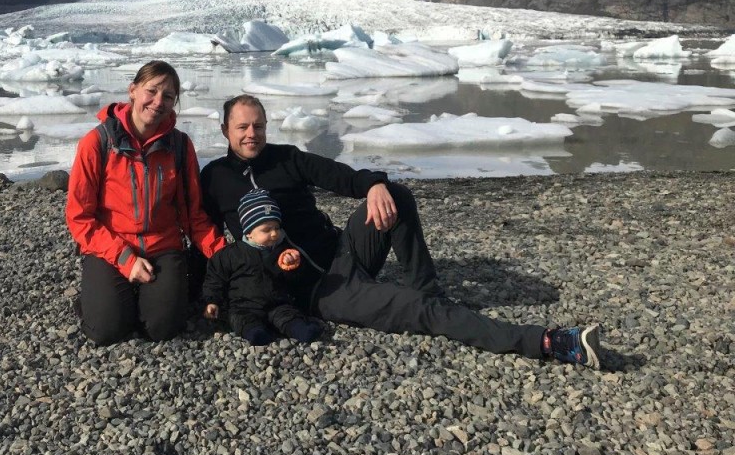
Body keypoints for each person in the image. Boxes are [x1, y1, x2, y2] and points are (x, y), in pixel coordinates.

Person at [199, 94, 602, 368]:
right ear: (225, 131)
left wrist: (374, 184)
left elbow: (340, 175)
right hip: (321, 291)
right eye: (242, 128)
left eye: (259, 126)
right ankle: (548, 343)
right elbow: (204, 235)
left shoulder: (287, 158)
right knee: (423, 314)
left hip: (343, 250)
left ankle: (426, 288)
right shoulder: (214, 178)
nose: (252, 134)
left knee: (396, 194)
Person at [66, 60, 225, 345]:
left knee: (162, 329)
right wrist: (125, 260)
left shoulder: (179, 145)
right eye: (151, 91)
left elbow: (193, 214)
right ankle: (96, 299)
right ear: (133, 91)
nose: (158, 102)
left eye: (168, 96)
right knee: (107, 331)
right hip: (111, 248)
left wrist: (224, 254)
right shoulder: (97, 143)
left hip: (163, 248)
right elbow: (80, 218)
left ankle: (135, 296)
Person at [202, 187, 324, 346]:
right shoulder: (230, 254)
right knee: (241, 320)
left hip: (277, 303)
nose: (274, 234)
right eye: (266, 230)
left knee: (288, 315)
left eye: (276, 228)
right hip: (244, 306)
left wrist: (293, 266)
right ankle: (255, 333)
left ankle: (300, 329)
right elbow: (215, 279)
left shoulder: (283, 250)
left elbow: (296, 280)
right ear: (249, 232)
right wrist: (212, 301)